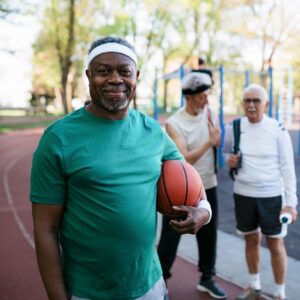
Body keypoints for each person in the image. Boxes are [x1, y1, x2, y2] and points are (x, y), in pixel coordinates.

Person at [29, 36, 212, 300]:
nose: (115, 79)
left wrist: (203, 212)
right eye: (103, 71)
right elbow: (45, 230)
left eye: (124, 71)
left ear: (136, 76)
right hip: (87, 292)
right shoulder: (58, 139)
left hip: (149, 285)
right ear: (88, 75)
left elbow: (191, 181)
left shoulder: (152, 132)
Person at [223, 83, 298, 300]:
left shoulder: (277, 129)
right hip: (243, 194)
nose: (252, 105)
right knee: (251, 240)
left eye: (256, 101)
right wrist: (230, 161)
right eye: (247, 100)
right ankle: (254, 287)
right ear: (242, 103)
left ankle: (279, 293)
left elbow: (288, 168)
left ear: (265, 104)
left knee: (275, 243)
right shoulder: (234, 127)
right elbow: (227, 152)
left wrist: (291, 203)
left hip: (272, 197)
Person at [157, 72, 227, 299]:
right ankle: (161, 281)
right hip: (180, 190)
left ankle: (207, 278)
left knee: (209, 236)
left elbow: (217, 144)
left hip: (208, 183)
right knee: (170, 238)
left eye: (207, 95)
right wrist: (210, 141)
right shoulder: (175, 123)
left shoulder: (210, 113)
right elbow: (184, 159)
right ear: (189, 96)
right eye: (202, 96)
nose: (206, 100)